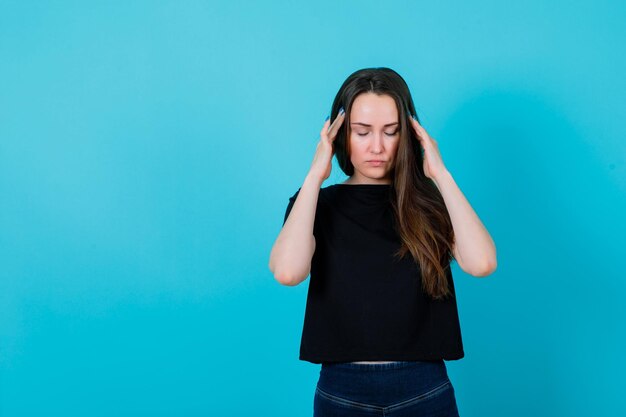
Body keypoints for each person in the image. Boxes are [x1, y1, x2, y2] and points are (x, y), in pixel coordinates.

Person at [268, 67, 497, 416]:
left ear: (408, 135)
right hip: (342, 388)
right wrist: (315, 174)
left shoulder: (430, 202)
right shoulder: (317, 204)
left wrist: (441, 174)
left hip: (423, 386)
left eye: (391, 132)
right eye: (362, 132)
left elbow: (481, 264)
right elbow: (288, 272)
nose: (377, 147)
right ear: (340, 135)